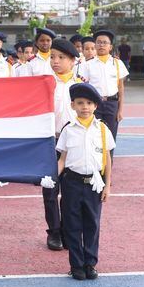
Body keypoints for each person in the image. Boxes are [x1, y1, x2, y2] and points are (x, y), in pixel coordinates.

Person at [57, 83, 114, 280]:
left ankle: (90, 263)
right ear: (72, 105)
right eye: (80, 103)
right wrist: (52, 178)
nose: (85, 107)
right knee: (72, 225)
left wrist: (108, 185)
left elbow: (107, 159)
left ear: (96, 106)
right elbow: (63, 159)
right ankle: (76, 265)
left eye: (89, 103)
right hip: (71, 182)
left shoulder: (103, 129)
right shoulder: (68, 130)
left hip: (94, 184)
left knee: (92, 224)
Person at [43, 38, 81, 251]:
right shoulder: (45, 83)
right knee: (50, 190)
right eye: (52, 57)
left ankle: (68, 230)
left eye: (61, 58)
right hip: (50, 142)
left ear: (73, 61)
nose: (55, 61)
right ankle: (54, 232)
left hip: (73, 143)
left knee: (71, 191)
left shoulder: (80, 85)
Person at [78, 29, 128, 143]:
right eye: (99, 42)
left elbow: (121, 88)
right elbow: (84, 87)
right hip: (95, 104)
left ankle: (108, 160)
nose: (101, 45)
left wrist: (120, 110)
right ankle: (96, 161)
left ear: (110, 47)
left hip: (112, 104)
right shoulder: (87, 65)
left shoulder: (117, 63)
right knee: (94, 135)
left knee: (110, 137)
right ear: (95, 45)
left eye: (105, 42)